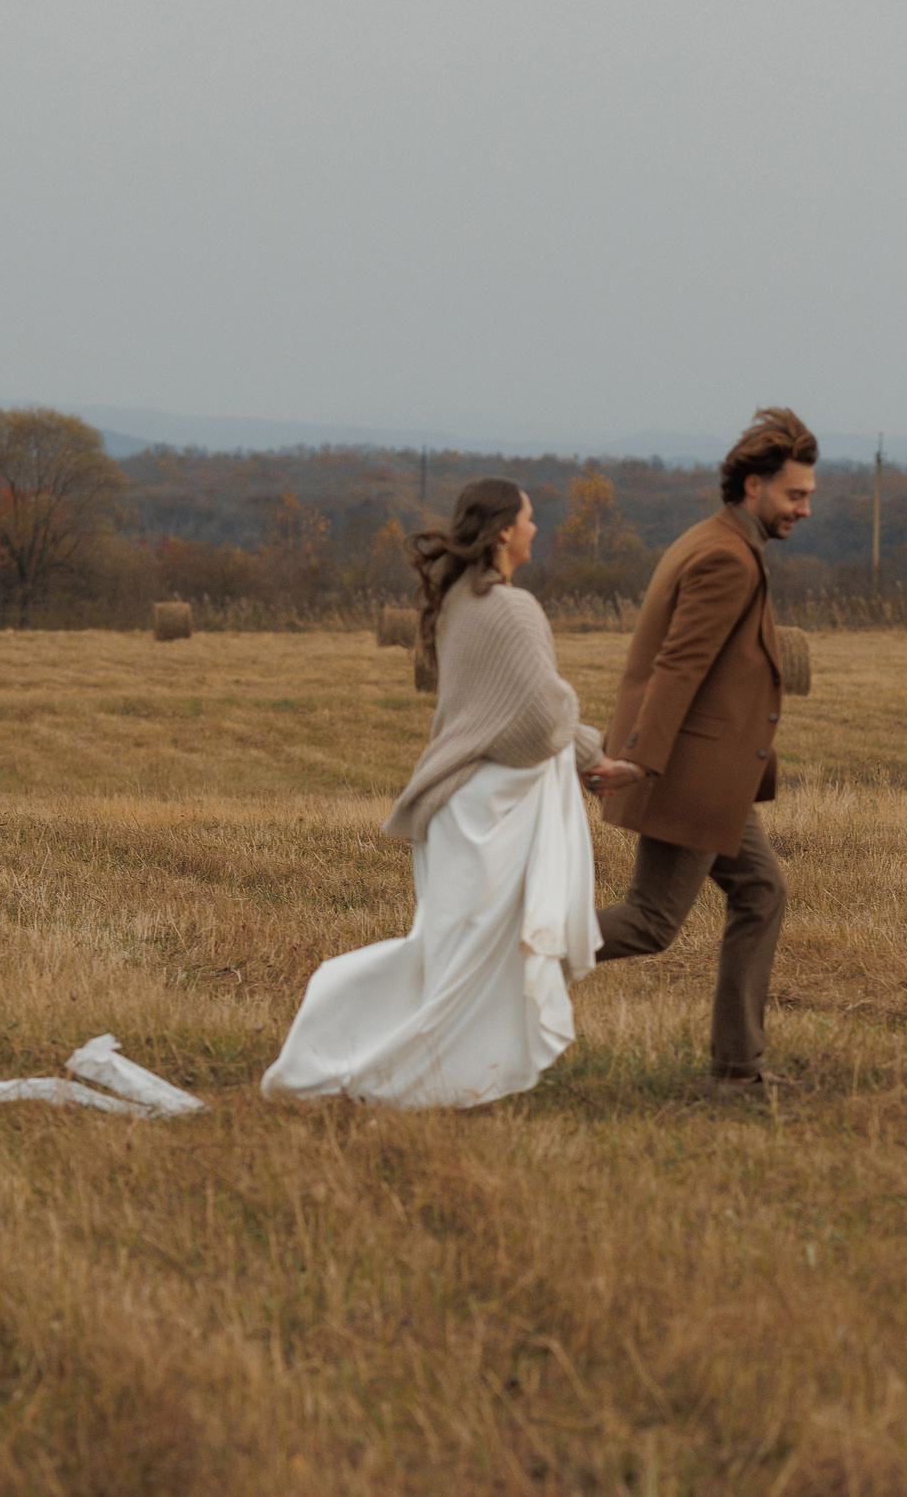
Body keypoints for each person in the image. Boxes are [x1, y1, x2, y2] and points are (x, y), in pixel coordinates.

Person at [261, 478, 602, 1109]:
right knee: (462, 963)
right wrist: (577, 721)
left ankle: (448, 1076)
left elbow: (500, 709)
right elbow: (537, 718)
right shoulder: (512, 607)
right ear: (504, 530)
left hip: (455, 806)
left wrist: (591, 752)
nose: (536, 529)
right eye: (530, 519)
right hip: (489, 812)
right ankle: (364, 1067)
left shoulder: (457, 603)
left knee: (455, 956)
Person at [582, 406, 815, 1098]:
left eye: (808, 495)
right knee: (651, 922)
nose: (804, 509)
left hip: (714, 772)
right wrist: (643, 760)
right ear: (754, 487)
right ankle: (504, 954)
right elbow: (677, 666)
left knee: (761, 890)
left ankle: (737, 1068)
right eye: (794, 495)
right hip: (688, 769)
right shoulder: (724, 557)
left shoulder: (718, 541)